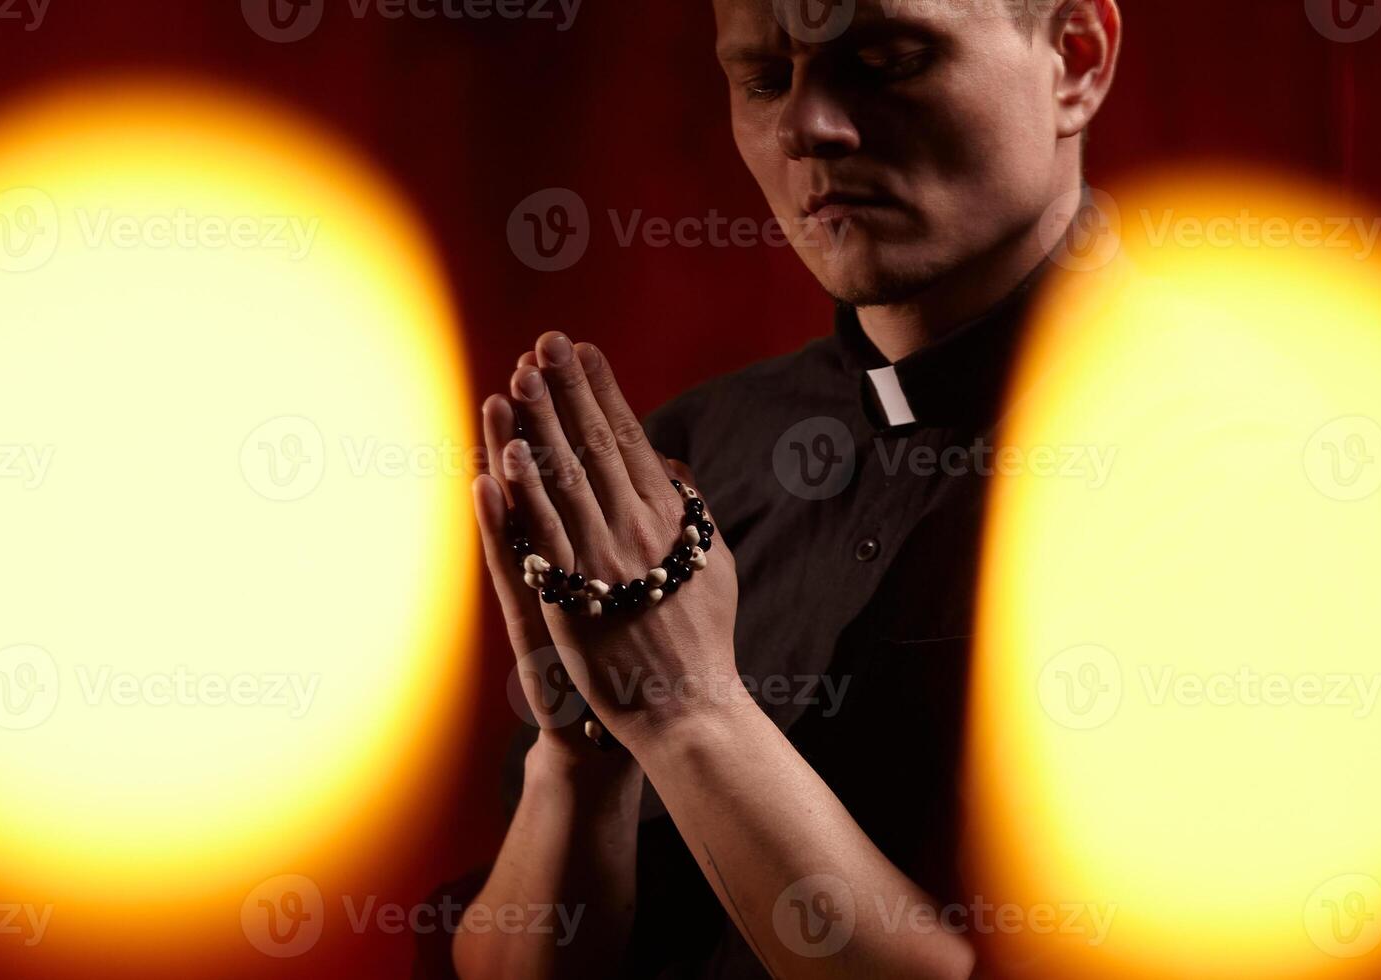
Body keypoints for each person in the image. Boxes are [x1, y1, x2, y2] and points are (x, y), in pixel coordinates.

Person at [437, 0, 1122, 976]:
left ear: (1076, 59)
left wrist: (687, 710)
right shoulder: (691, 451)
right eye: (763, 79)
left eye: (887, 60)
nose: (807, 127)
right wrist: (583, 756)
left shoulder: (1230, 469)